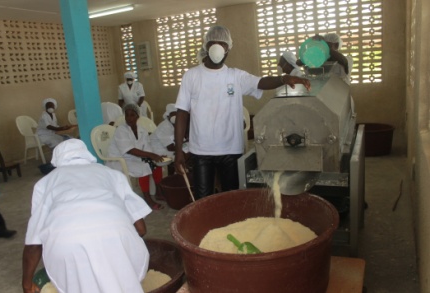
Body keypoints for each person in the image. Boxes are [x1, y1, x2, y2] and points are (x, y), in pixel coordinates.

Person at [174, 25, 311, 199]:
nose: (218, 48)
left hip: (230, 148)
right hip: (201, 150)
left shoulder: (235, 76)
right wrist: (178, 150)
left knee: (231, 197)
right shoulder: (192, 76)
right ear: (206, 46)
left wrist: (284, 78)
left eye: (222, 44)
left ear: (228, 48)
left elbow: (260, 82)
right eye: (213, 43)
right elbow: (182, 113)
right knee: (203, 198)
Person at [22, 139, 152, 293]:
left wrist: (26, 284)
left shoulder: (45, 183)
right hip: (115, 234)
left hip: (66, 243)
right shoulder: (112, 174)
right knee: (123, 282)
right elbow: (141, 229)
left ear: (56, 159)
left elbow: (34, 244)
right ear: (85, 153)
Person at [107, 103, 165, 210]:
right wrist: (151, 155)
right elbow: (129, 150)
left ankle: (159, 191)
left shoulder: (142, 130)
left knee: (156, 163)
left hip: (134, 157)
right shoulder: (121, 130)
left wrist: (155, 156)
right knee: (143, 167)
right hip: (120, 159)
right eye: (127, 115)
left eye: (132, 115)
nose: (129, 118)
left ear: (138, 116)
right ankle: (147, 199)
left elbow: (147, 147)